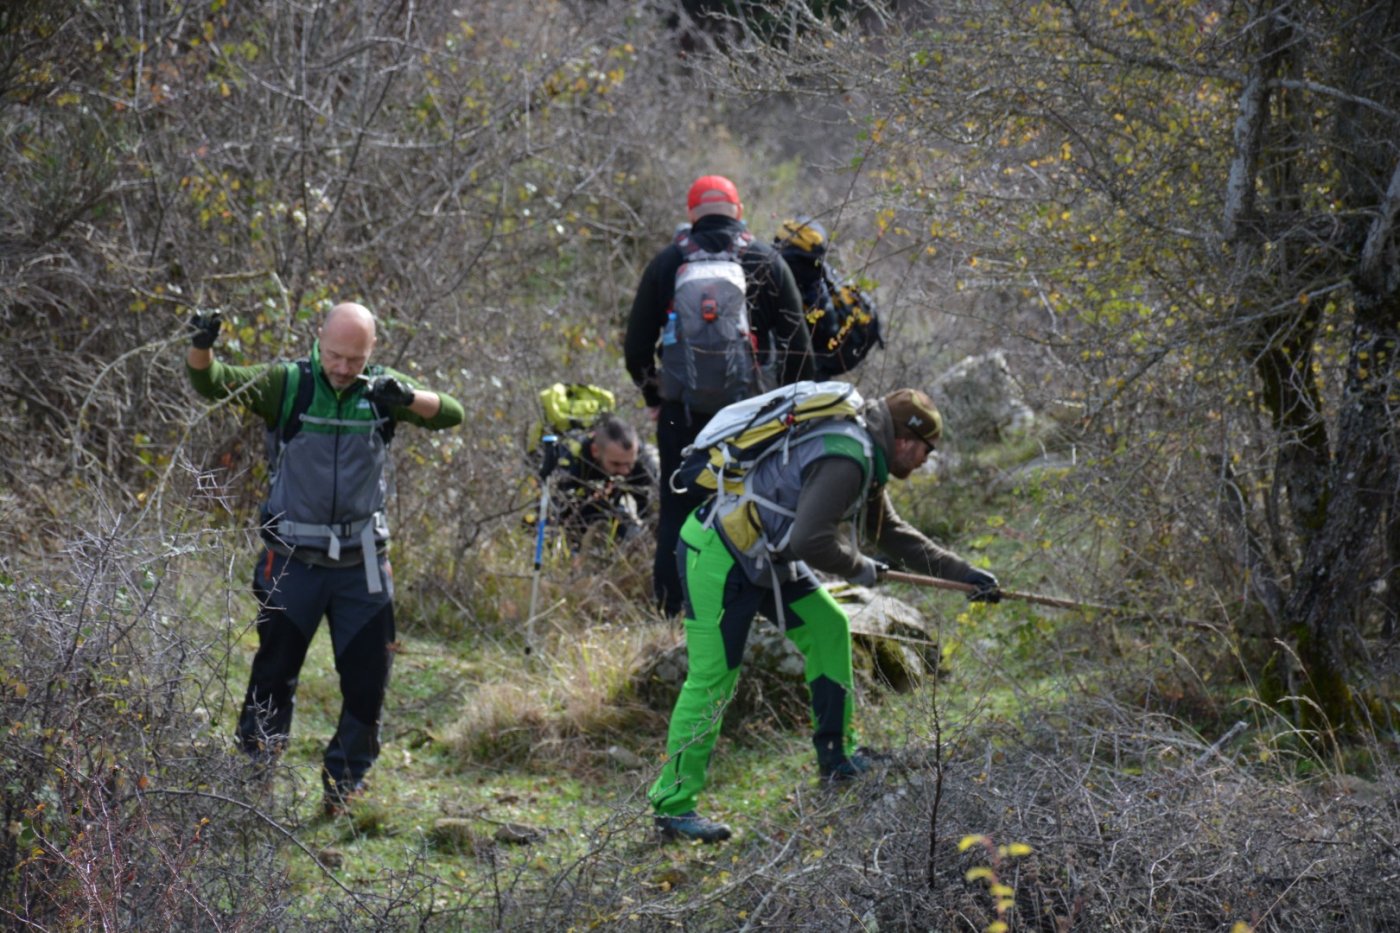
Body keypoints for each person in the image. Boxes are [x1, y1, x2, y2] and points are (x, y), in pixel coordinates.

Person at [649, 388, 1001, 842]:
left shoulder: (864, 456)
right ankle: (673, 807)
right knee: (713, 676)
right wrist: (861, 569)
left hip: (765, 556)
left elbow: (890, 533)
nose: (926, 460)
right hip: (718, 556)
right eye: (926, 449)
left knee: (828, 626)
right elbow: (810, 543)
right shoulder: (847, 457)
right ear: (905, 438)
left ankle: (837, 757)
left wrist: (966, 575)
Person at [185, 302, 464, 815]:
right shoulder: (288, 384)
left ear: (371, 353)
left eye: (354, 359)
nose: (342, 368)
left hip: (362, 565)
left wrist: (408, 397)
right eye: (335, 355)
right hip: (292, 561)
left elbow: (450, 412)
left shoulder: (382, 389)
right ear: (319, 340)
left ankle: (345, 787)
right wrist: (202, 346)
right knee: (273, 675)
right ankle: (252, 780)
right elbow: (212, 382)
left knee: (367, 681)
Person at [624, 174, 815, 616]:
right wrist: (790, 407)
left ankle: (673, 612)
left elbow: (635, 347)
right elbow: (798, 346)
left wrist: (655, 396)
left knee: (677, 508)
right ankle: (759, 608)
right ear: (739, 211)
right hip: (754, 413)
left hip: (681, 412)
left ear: (692, 214)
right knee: (761, 506)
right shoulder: (767, 259)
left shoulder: (668, 262)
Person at [552, 414, 657, 546]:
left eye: (630, 464)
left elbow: (651, 511)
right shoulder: (572, 459)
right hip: (575, 514)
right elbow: (553, 511)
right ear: (595, 450)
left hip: (614, 512)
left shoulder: (642, 462)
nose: (625, 471)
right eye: (616, 464)